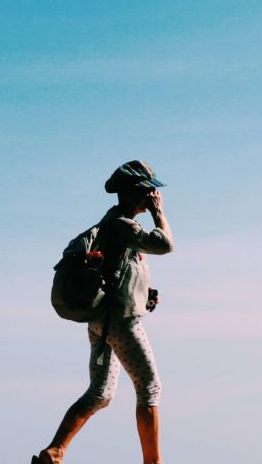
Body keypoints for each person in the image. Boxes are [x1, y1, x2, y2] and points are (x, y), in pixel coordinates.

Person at [32, 161, 175, 464]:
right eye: (149, 190)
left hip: (102, 321)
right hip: (121, 322)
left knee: (100, 392)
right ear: (136, 192)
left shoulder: (114, 225)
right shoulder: (123, 225)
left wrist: (144, 294)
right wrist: (158, 214)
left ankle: (55, 451)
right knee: (150, 388)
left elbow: (121, 270)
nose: (153, 194)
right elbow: (164, 245)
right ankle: (153, 462)